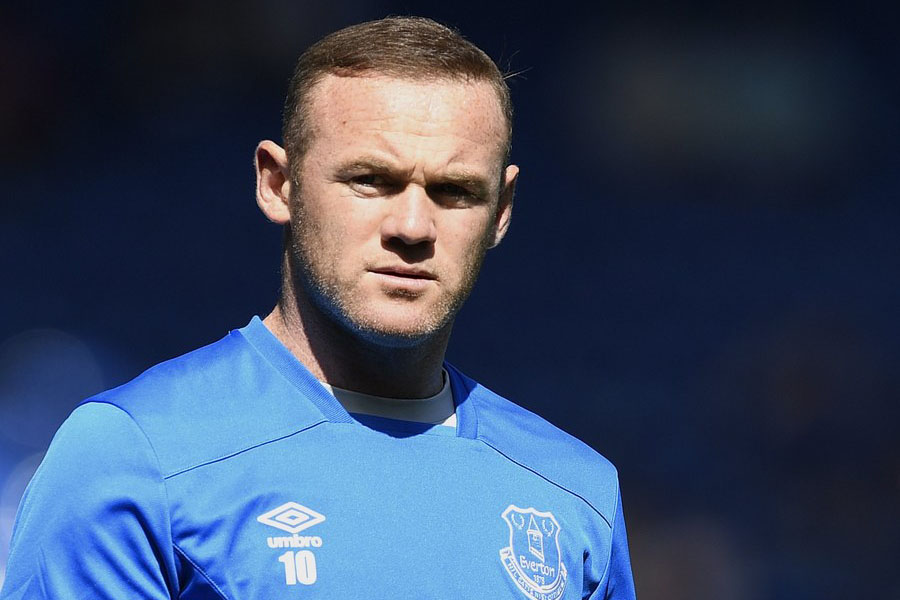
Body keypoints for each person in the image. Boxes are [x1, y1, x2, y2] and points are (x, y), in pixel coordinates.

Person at [1, 16, 636, 600]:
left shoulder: (574, 493)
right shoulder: (134, 456)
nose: (413, 225)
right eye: (371, 180)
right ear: (278, 184)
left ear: (501, 210)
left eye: (454, 190)